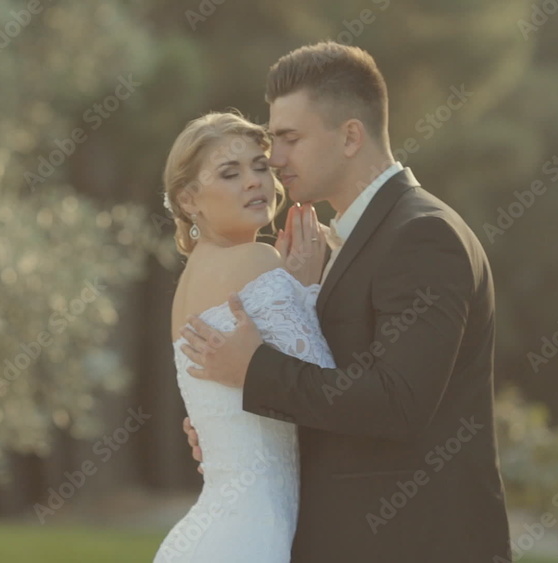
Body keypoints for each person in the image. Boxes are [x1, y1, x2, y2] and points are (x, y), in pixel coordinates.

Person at [178, 42, 512, 562]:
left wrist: (255, 372)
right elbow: (335, 386)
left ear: (351, 136)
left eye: (290, 139)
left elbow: (397, 403)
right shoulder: (350, 242)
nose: (275, 159)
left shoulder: (423, 235)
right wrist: (240, 429)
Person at [153, 110, 335, 563]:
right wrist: (307, 286)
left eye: (260, 166)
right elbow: (328, 390)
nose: (254, 181)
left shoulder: (190, 281)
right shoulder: (256, 261)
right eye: (230, 173)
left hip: (208, 534)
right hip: (251, 536)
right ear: (189, 199)